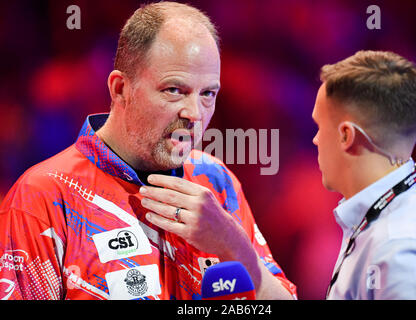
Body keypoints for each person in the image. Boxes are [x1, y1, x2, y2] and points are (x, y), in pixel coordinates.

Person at [0, 2, 296, 300]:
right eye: (174, 90)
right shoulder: (42, 197)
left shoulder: (217, 182)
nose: (194, 112)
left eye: (208, 93)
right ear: (120, 89)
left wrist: (235, 246)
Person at [312, 50, 416, 299]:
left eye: (319, 126)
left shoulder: (401, 252)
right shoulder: (392, 218)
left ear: (346, 135)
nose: (315, 139)